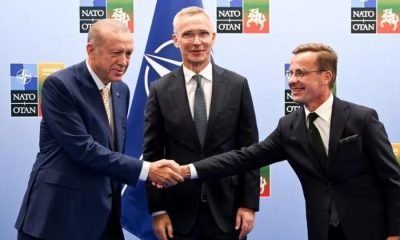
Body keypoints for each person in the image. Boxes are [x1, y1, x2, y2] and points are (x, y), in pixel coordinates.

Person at [181, 43, 400, 240]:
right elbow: (245, 157)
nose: (292, 80)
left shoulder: (362, 119)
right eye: (291, 72)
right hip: (322, 232)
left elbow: (391, 179)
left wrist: (395, 232)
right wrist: (188, 170)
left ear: (326, 77)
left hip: (371, 231)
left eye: (301, 73)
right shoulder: (289, 127)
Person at [15, 19, 183, 240]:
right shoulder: (60, 85)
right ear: (91, 50)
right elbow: (84, 149)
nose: (124, 62)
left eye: (129, 53)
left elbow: (113, 150)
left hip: (102, 218)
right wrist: (147, 170)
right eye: (116, 53)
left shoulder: (121, 90)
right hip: (57, 218)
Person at [144, 6, 260, 240]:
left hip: (228, 213)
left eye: (203, 34)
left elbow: (250, 151)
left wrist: (248, 204)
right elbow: (152, 154)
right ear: (175, 40)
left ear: (213, 37)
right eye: (187, 35)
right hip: (178, 215)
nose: (197, 41)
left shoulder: (237, 85)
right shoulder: (159, 89)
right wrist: (159, 209)